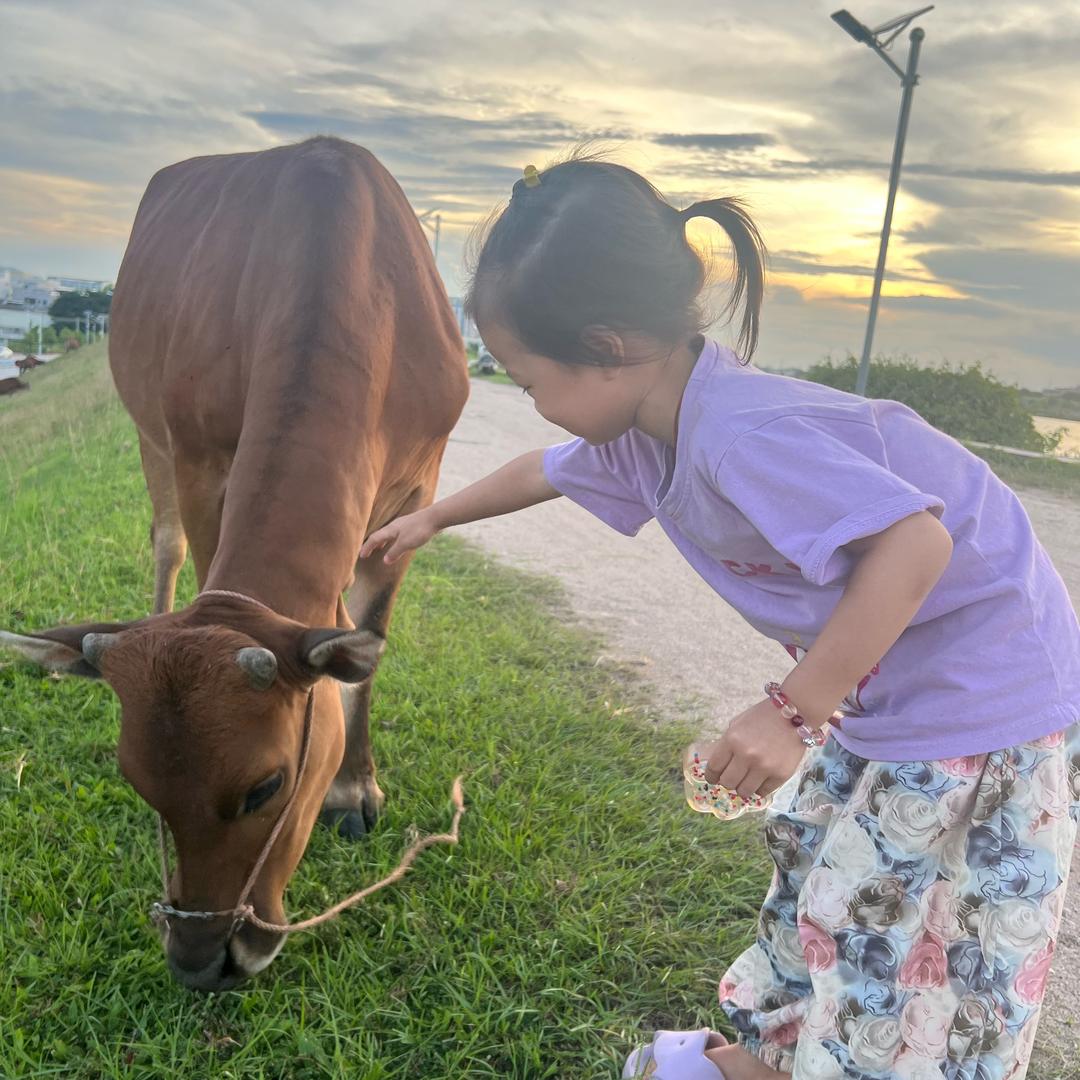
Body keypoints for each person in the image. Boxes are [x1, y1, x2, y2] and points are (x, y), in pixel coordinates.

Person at [360, 154, 1080, 1080]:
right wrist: (429, 516)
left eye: (529, 376)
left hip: (986, 691)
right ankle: (764, 1059)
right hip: (892, 686)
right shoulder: (642, 430)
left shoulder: (742, 434)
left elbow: (917, 546)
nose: (527, 395)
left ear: (607, 346)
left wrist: (791, 710)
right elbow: (542, 470)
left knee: (910, 946)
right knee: (821, 885)